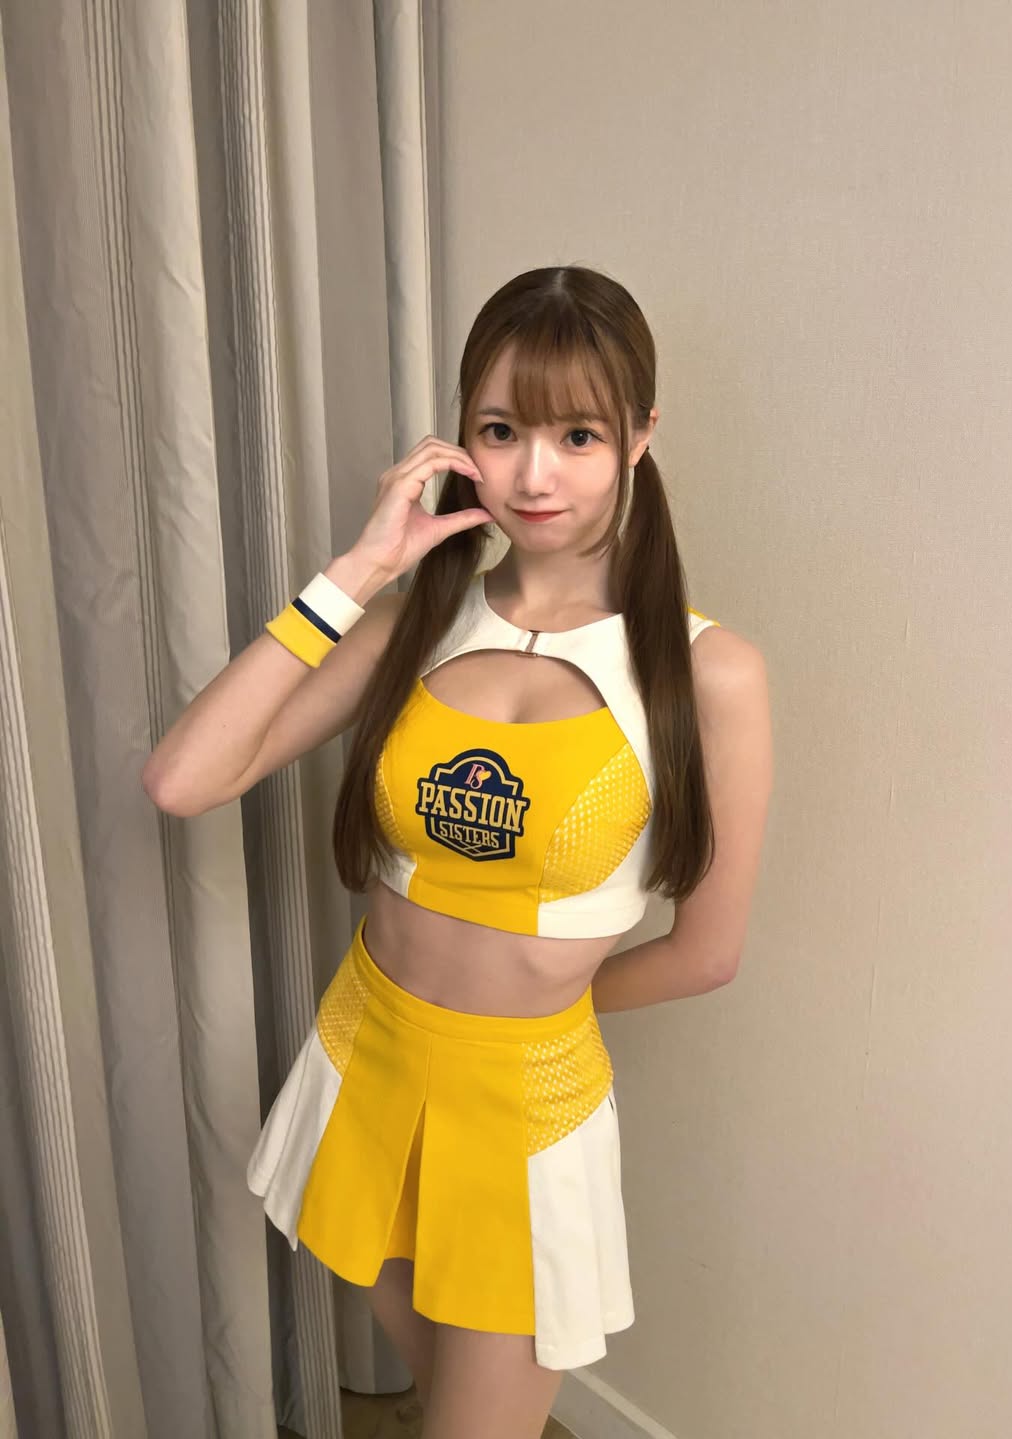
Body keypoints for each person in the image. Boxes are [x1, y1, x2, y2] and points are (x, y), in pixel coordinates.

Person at [142, 264, 772, 1439]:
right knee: (447, 1398)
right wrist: (359, 573)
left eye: (578, 434)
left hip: (522, 1105)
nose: (535, 475)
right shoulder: (415, 623)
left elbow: (707, 951)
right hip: (366, 1054)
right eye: (501, 430)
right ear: (461, 441)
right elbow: (185, 778)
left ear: (640, 436)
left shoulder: (708, 674)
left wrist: (530, 1013)